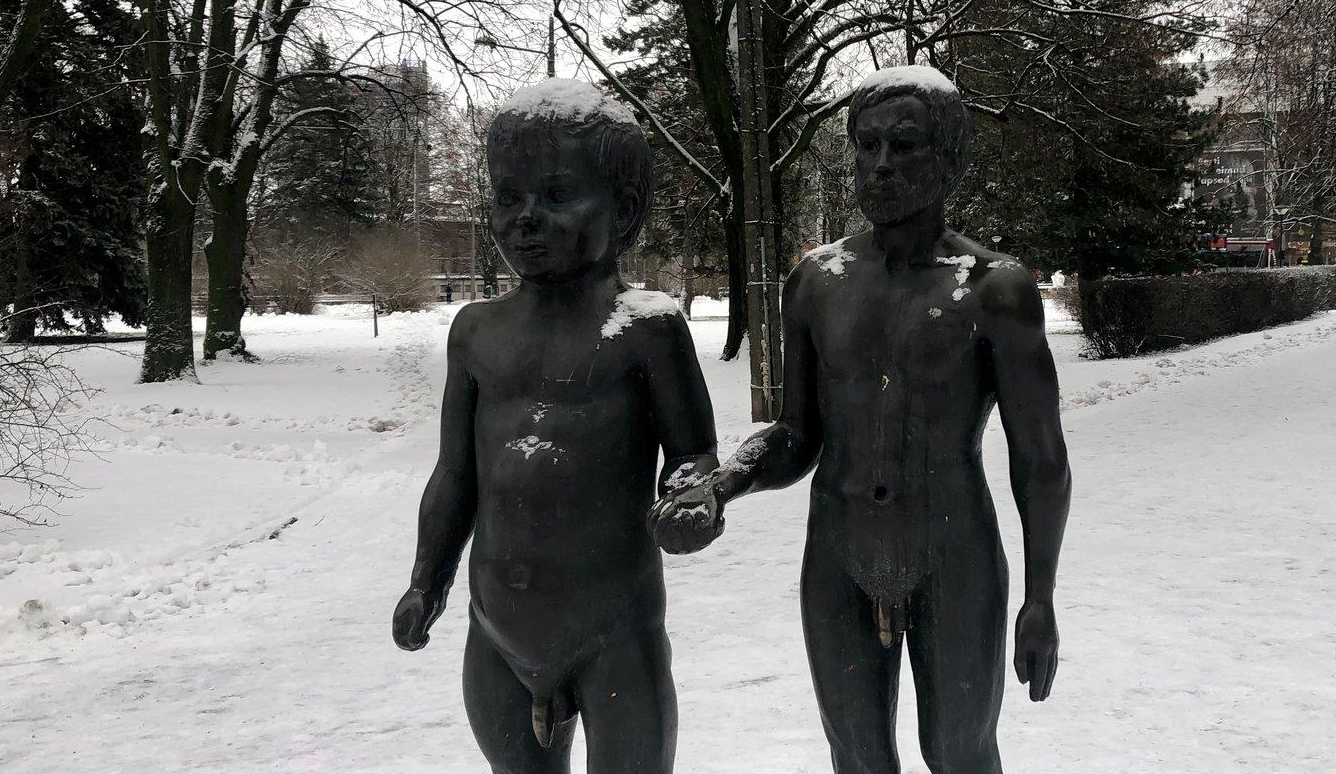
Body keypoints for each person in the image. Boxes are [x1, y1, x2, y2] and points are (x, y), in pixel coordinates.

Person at [650, 65, 1073, 774]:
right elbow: (796, 434)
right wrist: (719, 485)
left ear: (949, 160)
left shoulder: (994, 288)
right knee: (858, 757)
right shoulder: (816, 281)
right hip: (839, 552)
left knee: (960, 752)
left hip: (955, 551)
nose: (880, 166)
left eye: (904, 147)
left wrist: (1041, 598)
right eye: (867, 146)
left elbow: (1041, 459)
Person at [392, 79, 717, 774]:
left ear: (624, 210)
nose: (526, 219)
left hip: (614, 631)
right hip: (498, 630)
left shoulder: (646, 328)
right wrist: (428, 579)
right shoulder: (476, 331)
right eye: (508, 198)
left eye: (558, 195)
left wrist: (693, 496)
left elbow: (692, 453)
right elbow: (456, 473)